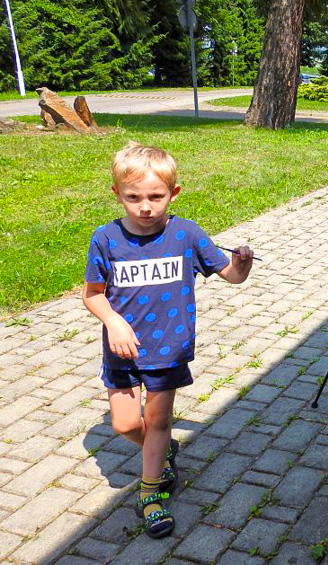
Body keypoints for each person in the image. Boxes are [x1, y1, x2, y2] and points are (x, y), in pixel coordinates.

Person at [82, 143, 255, 538]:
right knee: (126, 423)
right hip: (122, 350)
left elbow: (230, 274)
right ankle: (162, 453)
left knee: (158, 421)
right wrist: (114, 322)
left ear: (173, 193)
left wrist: (242, 263)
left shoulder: (186, 234)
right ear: (117, 194)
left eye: (156, 197)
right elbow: (92, 294)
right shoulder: (106, 239)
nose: (145, 207)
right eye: (133, 197)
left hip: (168, 347)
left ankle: (150, 494)